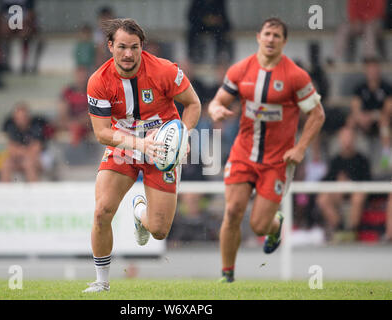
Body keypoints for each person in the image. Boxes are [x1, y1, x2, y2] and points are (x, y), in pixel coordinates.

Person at [83, 18, 201, 293]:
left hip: (161, 149)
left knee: (159, 230)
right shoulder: (98, 81)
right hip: (123, 145)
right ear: (110, 46)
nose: (128, 54)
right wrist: (138, 144)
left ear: (141, 47)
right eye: (122, 47)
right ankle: (102, 282)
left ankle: (139, 211)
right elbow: (101, 133)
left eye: (134, 47)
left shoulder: (164, 70)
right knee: (102, 211)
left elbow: (193, 104)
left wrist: (185, 133)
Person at [208, 18, 325, 283]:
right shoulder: (240, 70)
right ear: (258, 36)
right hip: (243, 153)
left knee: (259, 225)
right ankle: (227, 276)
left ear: (284, 41)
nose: (271, 39)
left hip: (277, 161)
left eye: (277, 36)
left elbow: (317, 114)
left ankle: (274, 224)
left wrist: (301, 147)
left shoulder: (296, 76)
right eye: (267, 34)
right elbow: (218, 101)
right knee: (234, 210)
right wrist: (216, 109)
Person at [316, 127, 371, 242]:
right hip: (338, 194)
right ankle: (339, 229)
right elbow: (327, 179)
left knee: (358, 197)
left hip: (356, 192)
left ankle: (352, 231)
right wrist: (338, 184)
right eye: (344, 138)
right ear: (340, 140)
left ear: (354, 139)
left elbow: (367, 180)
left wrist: (350, 183)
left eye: (349, 137)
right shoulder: (335, 160)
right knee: (323, 199)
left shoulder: (362, 160)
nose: (347, 141)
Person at [347, 57, 392, 173]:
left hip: (380, 119)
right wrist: (360, 117)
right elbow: (355, 108)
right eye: (370, 69)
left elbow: (387, 109)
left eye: (374, 69)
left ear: (379, 70)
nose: (372, 72)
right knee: (351, 120)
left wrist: (372, 116)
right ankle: (349, 153)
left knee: (384, 120)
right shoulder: (360, 88)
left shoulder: (386, 87)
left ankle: (386, 155)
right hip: (364, 119)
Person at [0, 102, 47, 182]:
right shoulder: (11, 127)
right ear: (15, 118)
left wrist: (20, 151)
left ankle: (34, 190)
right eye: (19, 117)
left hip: (40, 157)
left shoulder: (36, 126)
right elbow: (11, 150)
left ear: (28, 117)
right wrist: (24, 151)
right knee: (6, 163)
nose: (21, 119)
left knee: (28, 163)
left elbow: (36, 149)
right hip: (21, 158)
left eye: (24, 117)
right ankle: (5, 190)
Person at [57, 66, 92, 146]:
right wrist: (71, 123)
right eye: (79, 76)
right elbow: (62, 112)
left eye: (83, 76)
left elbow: (92, 113)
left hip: (86, 124)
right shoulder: (67, 92)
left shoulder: (92, 91)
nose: (81, 79)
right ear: (75, 76)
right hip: (70, 123)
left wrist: (78, 123)